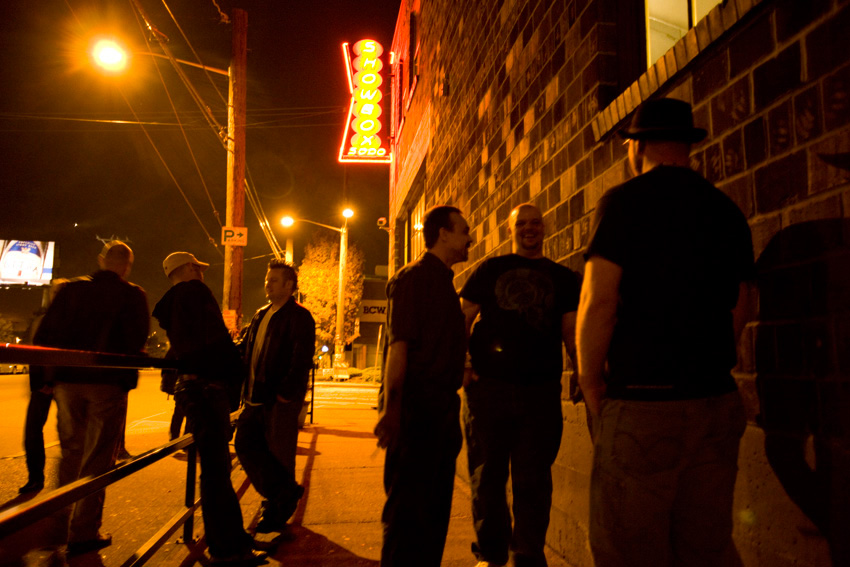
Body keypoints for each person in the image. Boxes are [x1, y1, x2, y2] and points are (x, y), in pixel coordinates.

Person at [576, 98, 755, 567]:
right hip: (715, 398)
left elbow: (599, 302)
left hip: (643, 401)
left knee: (628, 549)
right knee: (706, 546)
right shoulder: (725, 210)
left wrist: (591, 381)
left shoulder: (623, 203)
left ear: (636, 147)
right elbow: (741, 302)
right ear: (687, 146)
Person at [459, 203, 581, 567]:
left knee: (534, 480)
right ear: (510, 229)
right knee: (487, 478)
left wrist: (579, 369)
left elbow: (571, 329)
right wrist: (463, 363)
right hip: (489, 390)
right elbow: (462, 316)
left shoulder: (563, 278)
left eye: (535, 223)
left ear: (544, 229)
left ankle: (527, 554)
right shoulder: (491, 269)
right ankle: (491, 555)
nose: (529, 229)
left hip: (540, 393)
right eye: (522, 223)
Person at [32, 241, 149, 558]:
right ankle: (83, 531)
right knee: (98, 456)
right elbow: (137, 338)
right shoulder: (133, 295)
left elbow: (45, 335)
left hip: (69, 382)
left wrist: (45, 378)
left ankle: (59, 522)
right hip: (107, 383)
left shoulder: (71, 290)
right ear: (126, 265)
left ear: (101, 261)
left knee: (70, 450)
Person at [152, 251, 268, 565]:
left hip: (192, 389)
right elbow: (214, 344)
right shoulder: (196, 293)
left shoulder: (172, 305)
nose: (203, 273)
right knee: (217, 474)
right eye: (198, 267)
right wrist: (237, 370)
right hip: (208, 389)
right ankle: (229, 548)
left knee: (213, 473)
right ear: (188, 268)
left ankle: (226, 544)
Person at [374, 205, 473, 567]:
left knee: (433, 517)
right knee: (408, 518)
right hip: (418, 418)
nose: (470, 238)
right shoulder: (413, 279)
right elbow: (398, 348)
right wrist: (392, 410)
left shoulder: (444, 284)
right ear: (443, 234)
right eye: (463, 230)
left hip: (441, 417)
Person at [235, 259, 315, 533]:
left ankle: (277, 510)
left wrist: (286, 393)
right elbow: (244, 349)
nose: (267, 283)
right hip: (254, 397)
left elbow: (300, 359)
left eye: (273, 280)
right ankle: (283, 495)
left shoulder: (299, 316)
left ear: (289, 285)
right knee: (245, 445)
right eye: (267, 279)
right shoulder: (261, 313)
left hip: (277, 399)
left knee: (280, 455)